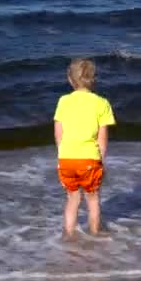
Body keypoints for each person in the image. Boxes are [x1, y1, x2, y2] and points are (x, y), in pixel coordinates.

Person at [54, 58, 116, 239]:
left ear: (70, 79)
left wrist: (61, 156)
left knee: (72, 199)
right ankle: (95, 232)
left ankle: (68, 234)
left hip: (66, 158)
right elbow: (101, 139)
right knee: (93, 198)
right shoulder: (101, 103)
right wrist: (101, 162)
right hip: (89, 159)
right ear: (94, 79)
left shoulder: (63, 101)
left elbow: (59, 134)